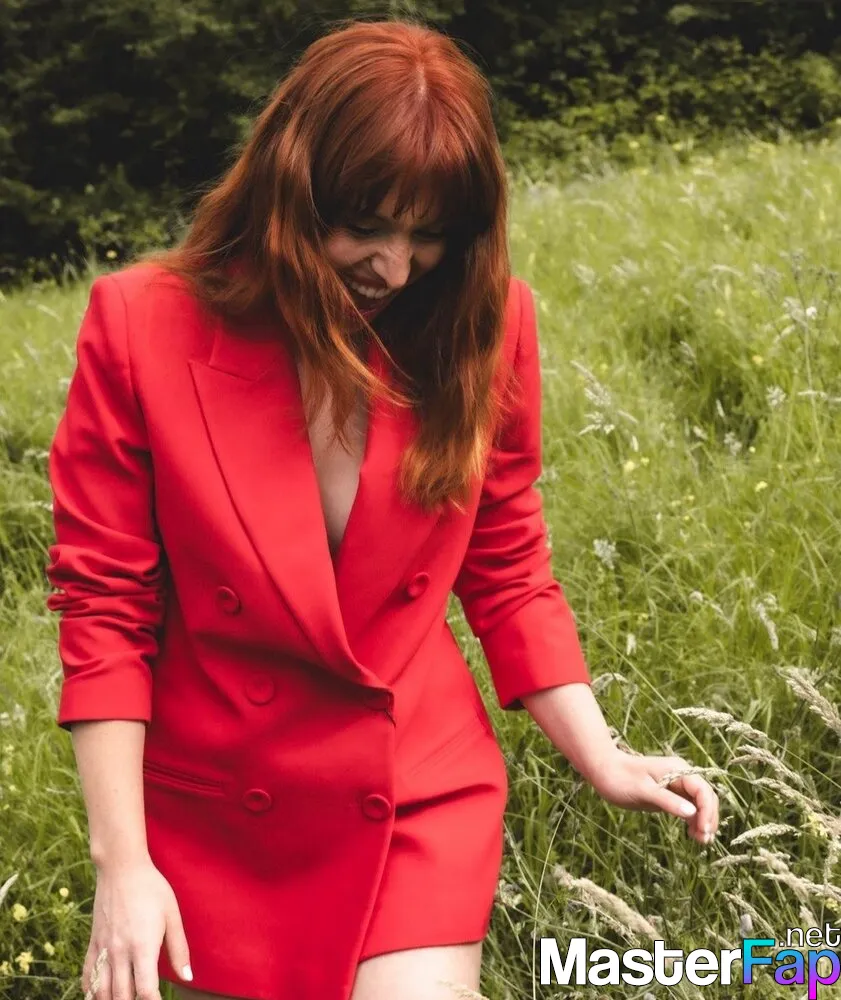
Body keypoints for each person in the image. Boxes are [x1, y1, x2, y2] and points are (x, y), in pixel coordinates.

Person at [44, 17, 720, 1000]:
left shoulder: (484, 324)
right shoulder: (142, 324)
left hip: (412, 785)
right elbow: (105, 605)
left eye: (426, 234)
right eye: (364, 224)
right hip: (219, 808)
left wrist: (600, 754)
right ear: (291, 183)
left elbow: (506, 565)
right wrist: (123, 864)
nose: (393, 268)